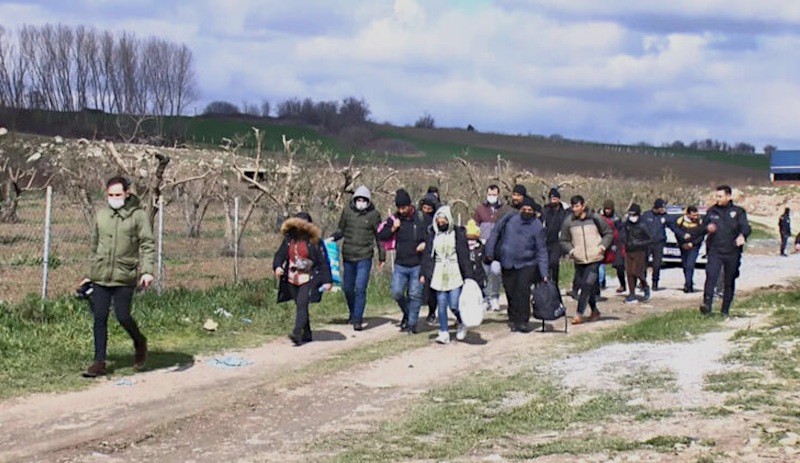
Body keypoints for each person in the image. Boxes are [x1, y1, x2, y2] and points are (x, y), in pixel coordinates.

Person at [81, 176, 155, 378]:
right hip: (101, 275)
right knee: (99, 317)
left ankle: (139, 341)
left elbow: (147, 244)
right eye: (110, 195)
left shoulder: (138, 216)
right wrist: (89, 275)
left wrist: (147, 271)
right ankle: (98, 362)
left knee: (122, 316)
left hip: (125, 275)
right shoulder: (101, 215)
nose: (114, 198)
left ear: (127, 193)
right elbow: (94, 246)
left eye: (118, 195)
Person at [485, 196, 549, 333]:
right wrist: (489, 251)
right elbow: (495, 232)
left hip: (527, 263)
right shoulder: (509, 219)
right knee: (510, 290)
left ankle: (523, 320)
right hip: (507, 261)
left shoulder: (536, 225)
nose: (526, 211)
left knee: (522, 291)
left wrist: (544, 273)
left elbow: (542, 250)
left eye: (529, 209)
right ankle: (513, 318)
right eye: (524, 209)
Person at [330, 185, 386, 331]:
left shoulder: (374, 215)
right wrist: (332, 238)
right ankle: (353, 312)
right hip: (348, 255)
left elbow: (379, 236)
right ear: (354, 200)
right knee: (348, 288)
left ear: (368, 201)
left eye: (364, 200)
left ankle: (358, 320)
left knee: (360, 288)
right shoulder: (347, 211)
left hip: (364, 256)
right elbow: (341, 230)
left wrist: (382, 256)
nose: (361, 202)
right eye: (358, 199)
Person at [273, 212, 333, 346]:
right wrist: (277, 267)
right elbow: (280, 255)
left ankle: (296, 333)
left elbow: (323, 261)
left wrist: (327, 280)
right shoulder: (289, 240)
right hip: (292, 278)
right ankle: (307, 333)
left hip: (309, 277)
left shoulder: (314, 241)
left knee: (301, 304)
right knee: (301, 306)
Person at [420, 206, 474, 343]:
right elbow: (427, 255)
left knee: (454, 303)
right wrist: (423, 273)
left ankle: (462, 322)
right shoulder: (433, 234)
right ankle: (444, 331)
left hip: (454, 271)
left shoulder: (457, 234)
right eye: (439, 218)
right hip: (439, 271)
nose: (441, 221)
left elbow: (464, 256)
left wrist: (468, 276)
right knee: (441, 303)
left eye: (444, 218)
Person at [377, 189, 426, 333]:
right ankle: (407, 313)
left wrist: (425, 244)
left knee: (415, 294)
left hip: (417, 264)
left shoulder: (421, 218)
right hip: (400, 264)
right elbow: (381, 235)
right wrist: (393, 228)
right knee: (396, 292)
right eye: (399, 207)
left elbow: (431, 234)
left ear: (410, 205)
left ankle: (412, 324)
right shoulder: (394, 219)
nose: (401, 210)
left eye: (404, 207)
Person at [561, 195, 614, 325]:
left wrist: (601, 247)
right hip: (579, 259)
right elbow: (563, 240)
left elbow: (608, 233)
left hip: (595, 258)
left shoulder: (595, 218)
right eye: (573, 206)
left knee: (587, 285)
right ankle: (595, 310)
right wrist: (572, 251)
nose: (575, 209)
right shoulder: (569, 221)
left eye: (577, 206)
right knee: (587, 286)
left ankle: (579, 314)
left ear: (583, 205)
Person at [699, 185, 751, 316]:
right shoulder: (712, 211)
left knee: (729, 280)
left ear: (728, 196)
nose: (718, 199)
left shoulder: (738, 212)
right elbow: (702, 226)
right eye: (716, 196)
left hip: (732, 251)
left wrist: (742, 235)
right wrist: (707, 228)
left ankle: (725, 310)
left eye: (720, 196)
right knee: (711, 276)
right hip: (715, 250)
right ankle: (707, 305)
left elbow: (745, 227)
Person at [472, 184, 511, 310]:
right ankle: (485, 298)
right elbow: (474, 225)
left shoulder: (504, 209)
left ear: (498, 194)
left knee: (495, 271)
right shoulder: (480, 209)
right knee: (484, 273)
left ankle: (495, 297)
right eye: (490, 194)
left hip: (497, 247)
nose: (492, 197)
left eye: (494, 194)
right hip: (483, 245)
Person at [621, 204, 652, 304]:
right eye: (630, 215)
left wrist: (638, 243)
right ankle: (632, 294)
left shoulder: (643, 225)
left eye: (634, 215)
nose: (632, 217)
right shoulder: (626, 224)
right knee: (629, 273)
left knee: (637, 272)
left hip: (640, 251)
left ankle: (645, 285)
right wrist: (625, 241)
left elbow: (650, 239)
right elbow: (622, 234)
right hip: (628, 250)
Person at [418, 192, 440, 325]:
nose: (426, 211)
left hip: (431, 256)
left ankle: (432, 311)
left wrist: (427, 244)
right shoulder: (417, 218)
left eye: (429, 209)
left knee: (431, 287)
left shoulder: (436, 222)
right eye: (424, 208)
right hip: (416, 255)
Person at [542, 187, 569, 288]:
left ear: (558, 199)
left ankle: (555, 283)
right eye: (551, 199)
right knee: (546, 264)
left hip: (557, 242)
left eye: (555, 199)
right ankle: (547, 285)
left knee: (554, 262)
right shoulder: (545, 210)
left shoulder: (564, 211)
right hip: (546, 241)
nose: (553, 201)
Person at [674, 205, 704, 293]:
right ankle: (688, 281)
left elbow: (701, 235)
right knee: (685, 265)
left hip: (694, 246)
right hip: (683, 246)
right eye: (693, 215)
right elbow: (677, 233)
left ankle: (688, 285)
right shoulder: (680, 221)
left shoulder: (700, 221)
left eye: (696, 215)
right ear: (688, 214)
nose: (695, 217)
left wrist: (692, 243)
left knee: (690, 264)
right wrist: (682, 243)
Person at [641, 198, 668, 290]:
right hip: (646, 243)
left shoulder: (664, 216)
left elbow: (673, 226)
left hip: (658, 244)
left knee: (657, 264)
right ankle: (643, 282)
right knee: (643, 264)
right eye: (662, 207)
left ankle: (655, 283)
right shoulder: (646, 215)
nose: (663, 209)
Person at [600, 200, 626, 293]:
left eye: (609, 209)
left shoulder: (617, 218)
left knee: (619, 265)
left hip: (616, 243)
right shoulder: (600, 218)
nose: (607, 211)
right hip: (603, 242)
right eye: (606, 209)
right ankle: (601, 283)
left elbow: (621, 232)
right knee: (600, 263)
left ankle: (623, 284)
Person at [465, 220, 488, 290]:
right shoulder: (463, 247)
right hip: (466, 279)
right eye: (469, 238)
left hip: (479, 277)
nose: (471, 241)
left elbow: (485, 262)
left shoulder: (481, 247)